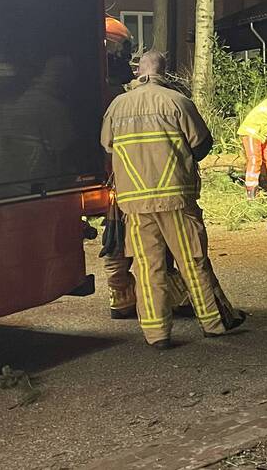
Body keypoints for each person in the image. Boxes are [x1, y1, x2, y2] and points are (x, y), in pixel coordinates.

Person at [100, 50, 244, 348]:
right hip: (176, 197)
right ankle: (214, 324)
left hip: (135, 204)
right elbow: (202, 145)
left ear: (137, 71)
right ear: (164, 72)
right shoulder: (178, 102)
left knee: (147, 267)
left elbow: (107, 147)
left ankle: (156, 335)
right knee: (192, 261)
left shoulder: (116, 107)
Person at [99, 18, 191, 320]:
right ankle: (172, 296)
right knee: (153, 241)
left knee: (115, 236)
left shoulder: (106, 91)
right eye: (123, 49)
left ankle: (121, 295)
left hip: (115, 176)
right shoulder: (116, 93)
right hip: (132, 176)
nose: (127, 58)